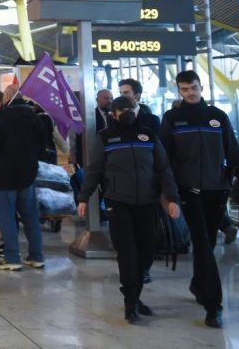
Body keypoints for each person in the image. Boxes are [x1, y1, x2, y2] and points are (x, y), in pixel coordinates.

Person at [160, 70, 239, 329]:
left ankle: (199, 285)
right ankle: (213, 306)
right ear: (178, 90)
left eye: (194, 88)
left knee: (208, 243)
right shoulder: (172, 119)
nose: (190, 92)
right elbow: (163, 160)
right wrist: (169, 195)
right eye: (185, 89)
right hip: (187, 191)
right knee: (201, 242)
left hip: (216, 190)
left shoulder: (217, 117)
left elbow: (234, 153)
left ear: (201, 87)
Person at [78, 96, 180, 323]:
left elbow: (164, 169)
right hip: (118, 202)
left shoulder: (149, 135)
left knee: (146, 250)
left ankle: (135, 294)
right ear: (113, 113)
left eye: (131, 108)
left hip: (147, 202)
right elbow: (94, 170)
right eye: (122, 109)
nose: (127, 112)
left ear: (138, 108)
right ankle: (130, 303)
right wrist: (84, 197)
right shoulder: (105, 138)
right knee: (127, 253)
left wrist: (172, 198)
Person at [0, 85, 45, 271]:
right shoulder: (34, 118)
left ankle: (12, 258)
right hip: (28, 174)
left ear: (7, 97)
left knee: (6, 217)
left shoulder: (3, 117)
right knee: (31, 216)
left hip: (3, 176)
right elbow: (42, 146)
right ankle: (36, 256)